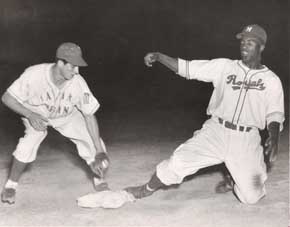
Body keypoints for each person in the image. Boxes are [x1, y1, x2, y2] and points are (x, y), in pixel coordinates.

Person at [125, 24, 285, 204]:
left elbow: (275, 113)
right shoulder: (225, 66)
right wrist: (160, 57)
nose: (244, 46)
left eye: (250, 42)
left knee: (252, 197)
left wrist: (274, 136)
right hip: (216, 131)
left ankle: (234, 179)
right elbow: (188, 68)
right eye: (242, 41)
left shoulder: (271, 80)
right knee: (178, 162)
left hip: (246, 140)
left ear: (261, 47)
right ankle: (146, 189)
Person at [1, 42, 109, 204]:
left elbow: (89, 115)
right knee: (29, 142)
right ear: (60, 63)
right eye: (72, 67)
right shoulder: (34, 74)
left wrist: (99, 150)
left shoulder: (78, 82)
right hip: (37, 114)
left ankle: (98, 177)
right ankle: (11, 185)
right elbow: (7, 98)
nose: (76, 71)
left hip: (67, 116)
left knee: (93, 142)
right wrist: (30, 114)